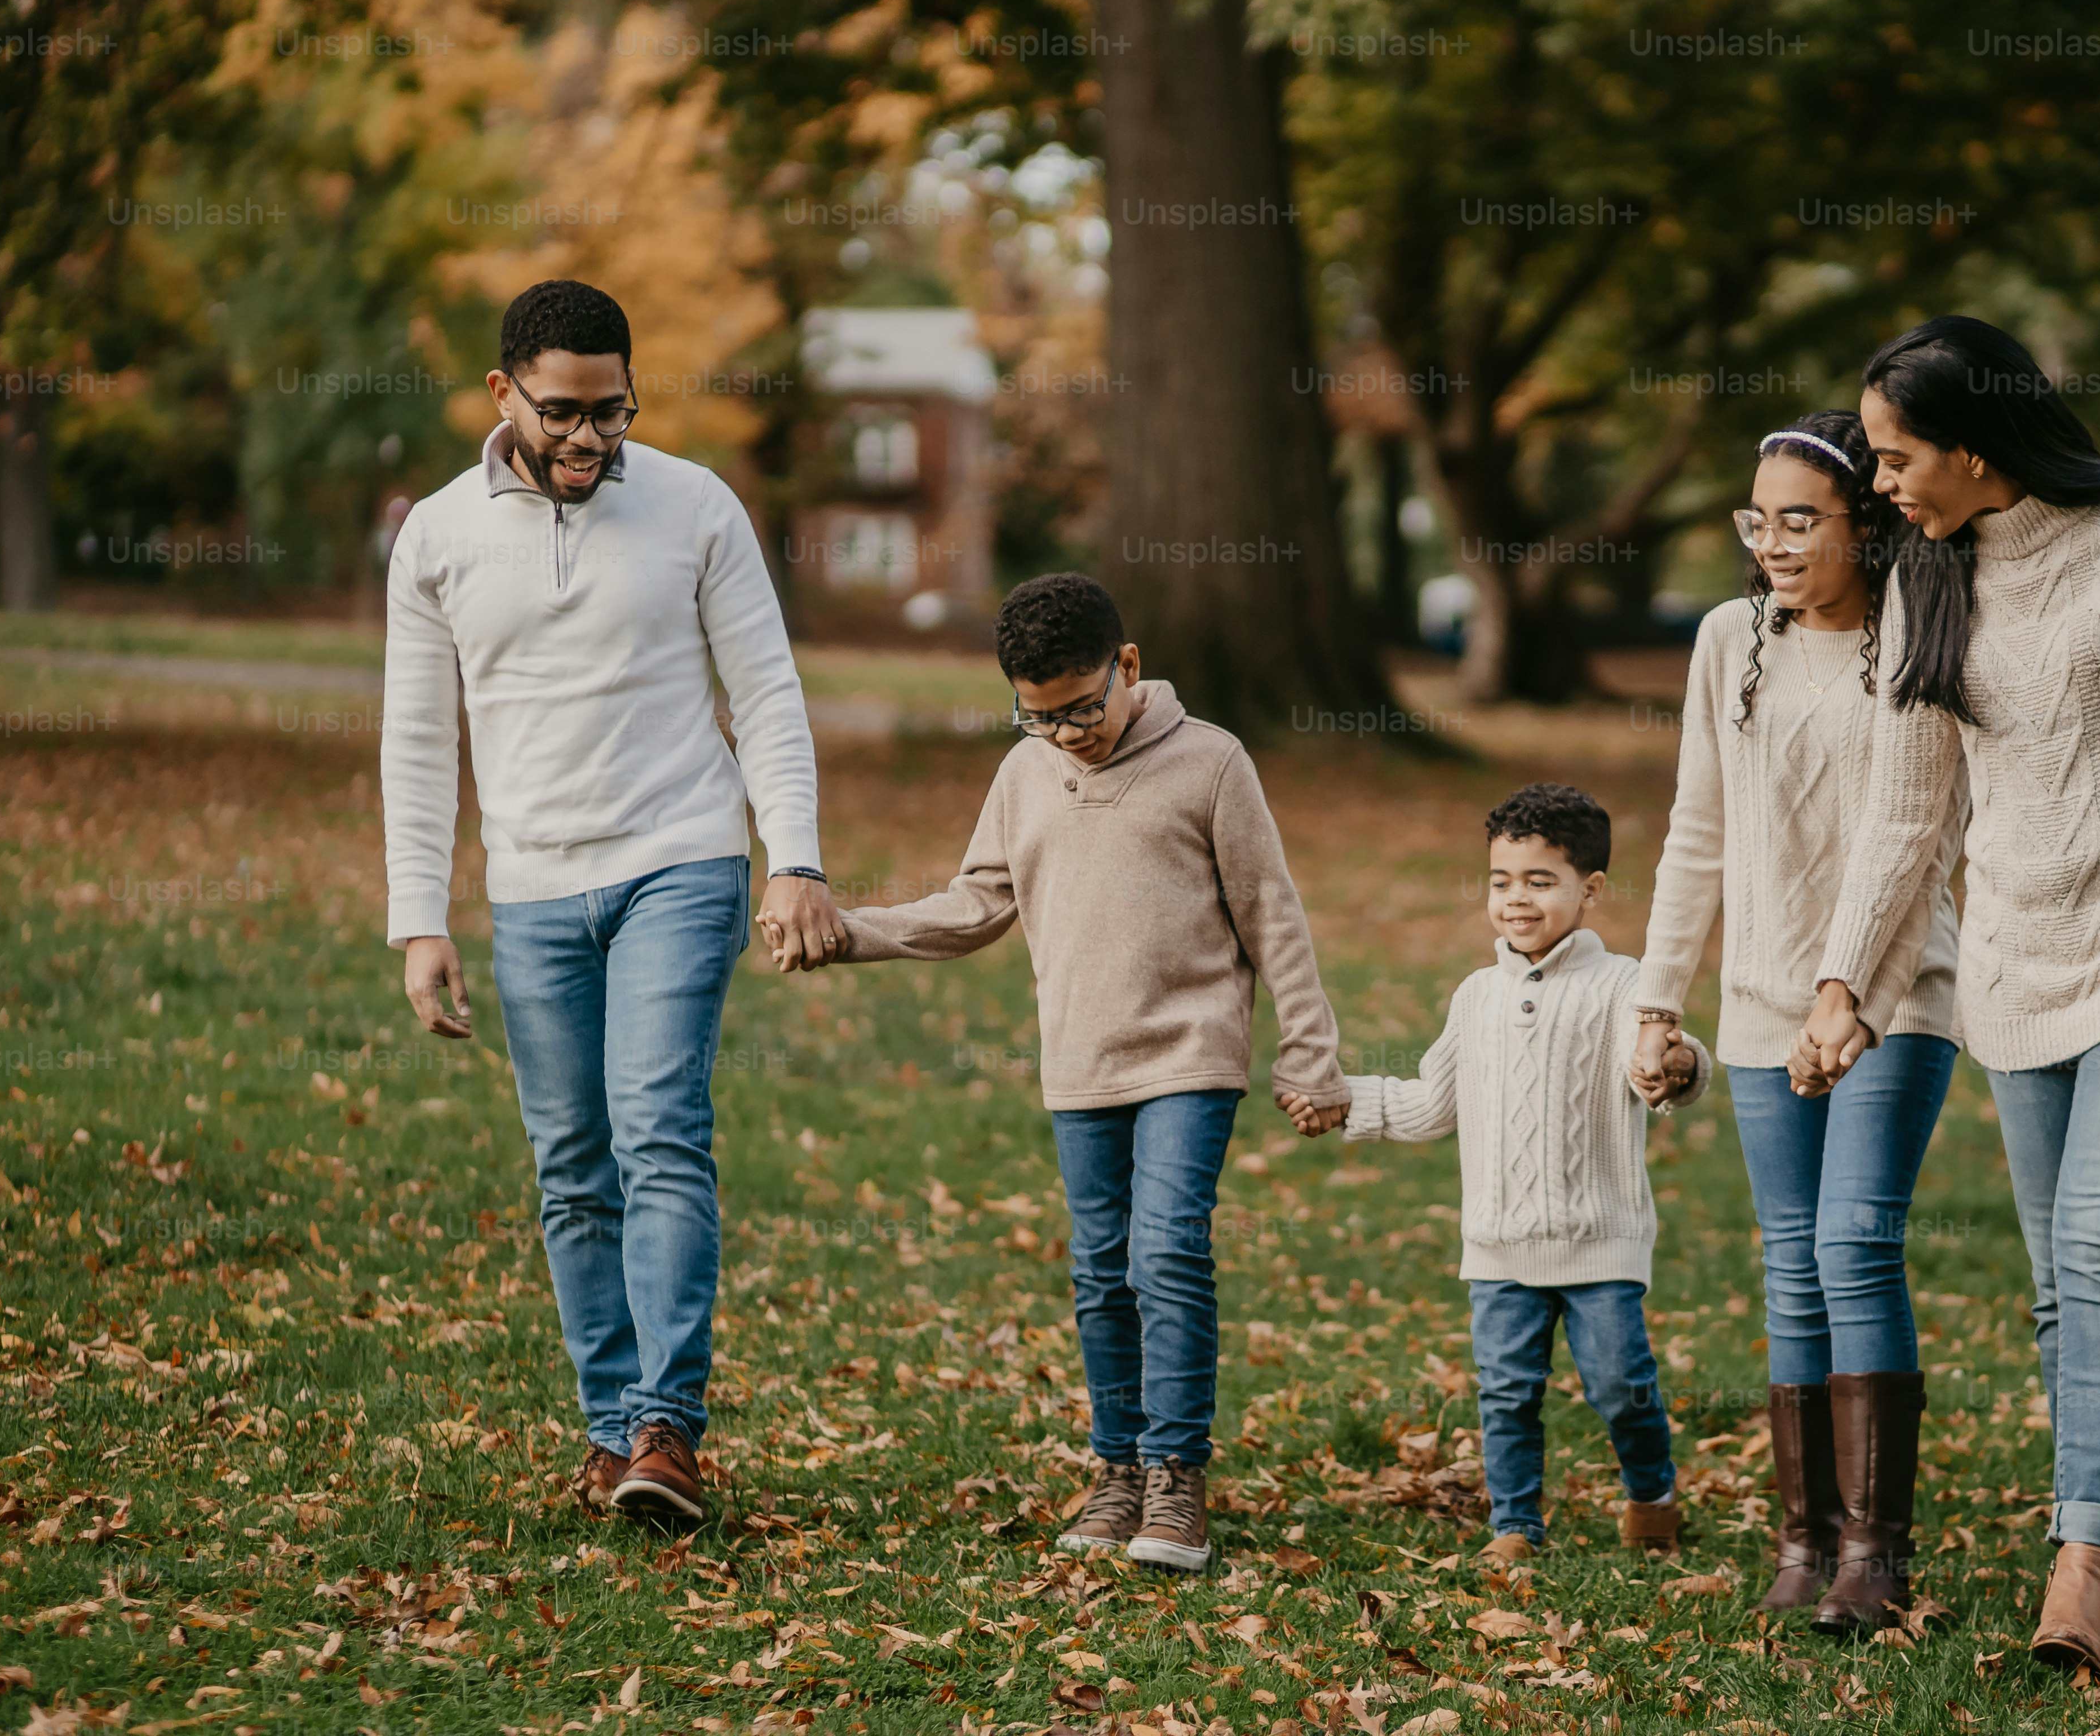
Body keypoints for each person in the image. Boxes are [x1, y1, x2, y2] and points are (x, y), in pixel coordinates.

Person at [1820, 317, 2100, 1677]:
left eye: (1896, 454)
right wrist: (1847, 979)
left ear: (1973, 445)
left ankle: (2087, 1553)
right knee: (2054, 1278)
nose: (1879, 480)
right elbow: (1906, 815)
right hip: (2019, 959)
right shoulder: (1927, 575)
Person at [383, 278, 841, 1529]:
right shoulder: (438, 535)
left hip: (680, 858)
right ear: (503, 394)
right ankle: (608, 1433)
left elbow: (767, 691)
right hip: (531, 884)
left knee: (657, 1131)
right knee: (574, 1168)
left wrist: (793, 857)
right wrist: (420, 916)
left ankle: (665, 1430)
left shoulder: (696, 506)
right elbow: (418, 738)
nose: (590, 438)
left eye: (614, 411)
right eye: (563, 413)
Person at [821, 572, 1350, 1573]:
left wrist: (1311, 1052)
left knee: (1166, 1255)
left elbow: (1272, 913)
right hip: (1080, 1063)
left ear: (1129, 667)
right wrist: (851, 932)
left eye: (1080, 709)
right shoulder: (1024, 773)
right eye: (1039, 716)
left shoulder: (1212, 763)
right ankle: (1117, 1469)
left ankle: (1175, 1476)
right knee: (1102, 1271)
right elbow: (975, 904)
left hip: (1190, 1056)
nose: (1066, 734)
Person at [1631, 410, 1964, 1632]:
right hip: (1764, 1000)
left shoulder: (1921, 635)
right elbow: (1697, 829)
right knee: (1791, 1258)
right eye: (1756, 520)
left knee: (1854, 1242)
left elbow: (1919, 841)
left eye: (1798, 520)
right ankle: (1804, 1537)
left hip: (1896, 991)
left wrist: (1853, 994)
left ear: (1865, 523)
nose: (1770, 543)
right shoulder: (1731, 641)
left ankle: (1875, 1552)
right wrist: (1658, 999)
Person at [1291, 783, 1702, 1563]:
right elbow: (1430, 1104)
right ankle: (1515, 1525)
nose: (1517, 899)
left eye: (1540, 881)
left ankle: (1652, 1495)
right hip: (1498, 1246)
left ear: (1591, 891)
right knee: (1508, 1391)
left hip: (1599, 1239)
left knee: (1620, 1385)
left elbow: (1666, 1060)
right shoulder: (1476, 996)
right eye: (1501, 881)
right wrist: (1345, 1102)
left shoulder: (1627, 985)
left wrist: (1677, 1067)